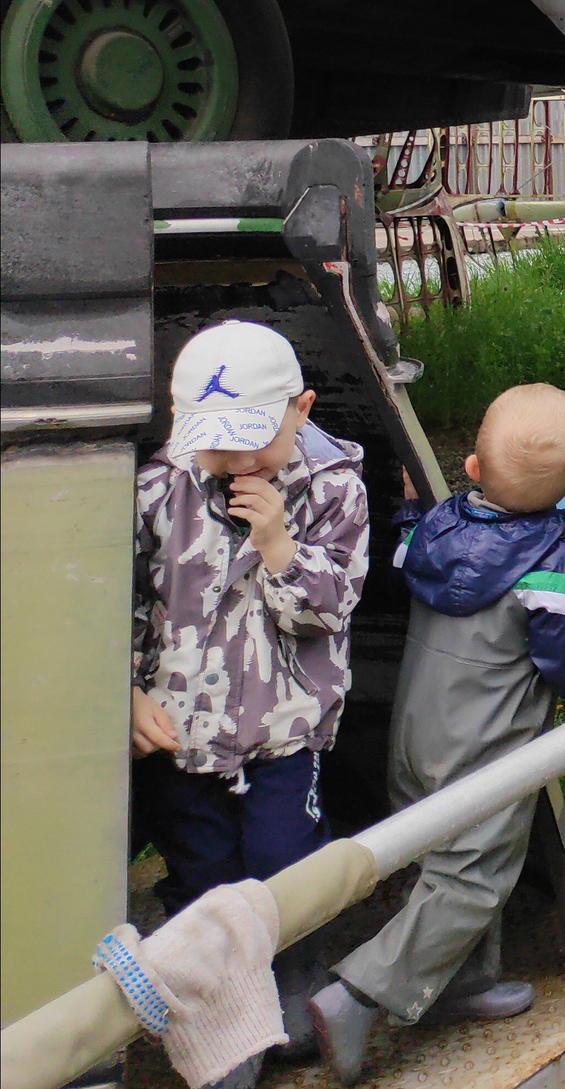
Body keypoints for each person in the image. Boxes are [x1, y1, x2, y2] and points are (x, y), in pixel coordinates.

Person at [309, 385, 565, 1082]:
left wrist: (407, 503)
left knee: (439, 860)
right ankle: (359, 993)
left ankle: (455, 982)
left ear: (471, 467)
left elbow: (401, 554)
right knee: (473, 877)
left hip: (414, 736)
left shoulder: (437, 530)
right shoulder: (555, 564)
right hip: (482, 753)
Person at [132, 320, 373, 1083]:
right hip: (181, 730)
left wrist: (280, 546)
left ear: (300, 410)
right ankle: (221, 1024)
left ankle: (296, 973)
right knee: (203, 871)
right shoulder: (156, 489)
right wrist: (126, 692)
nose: (235, 461)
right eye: (215, 441)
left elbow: (329, 608)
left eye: (252, 439)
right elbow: (116, 603)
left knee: (281, 860)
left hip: (283, 727)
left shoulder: (334, 488)